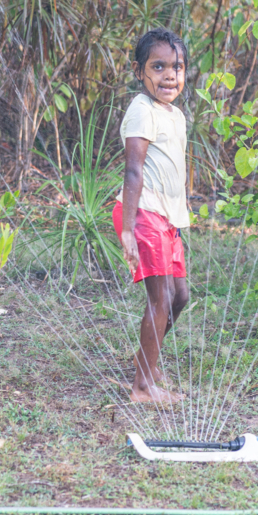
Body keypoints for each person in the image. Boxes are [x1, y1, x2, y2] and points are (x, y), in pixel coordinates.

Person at [112, 28, 190, 404]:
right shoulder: (141, 111)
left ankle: (147, 357)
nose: (169, 76)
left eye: (177, 67)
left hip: (166, 219)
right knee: (160, 299)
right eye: (158, 67)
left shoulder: (174, 114)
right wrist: (127, 229)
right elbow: (133, 171)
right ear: (138, 70)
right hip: (143, 214)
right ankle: (143, 386)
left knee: (180, 297)